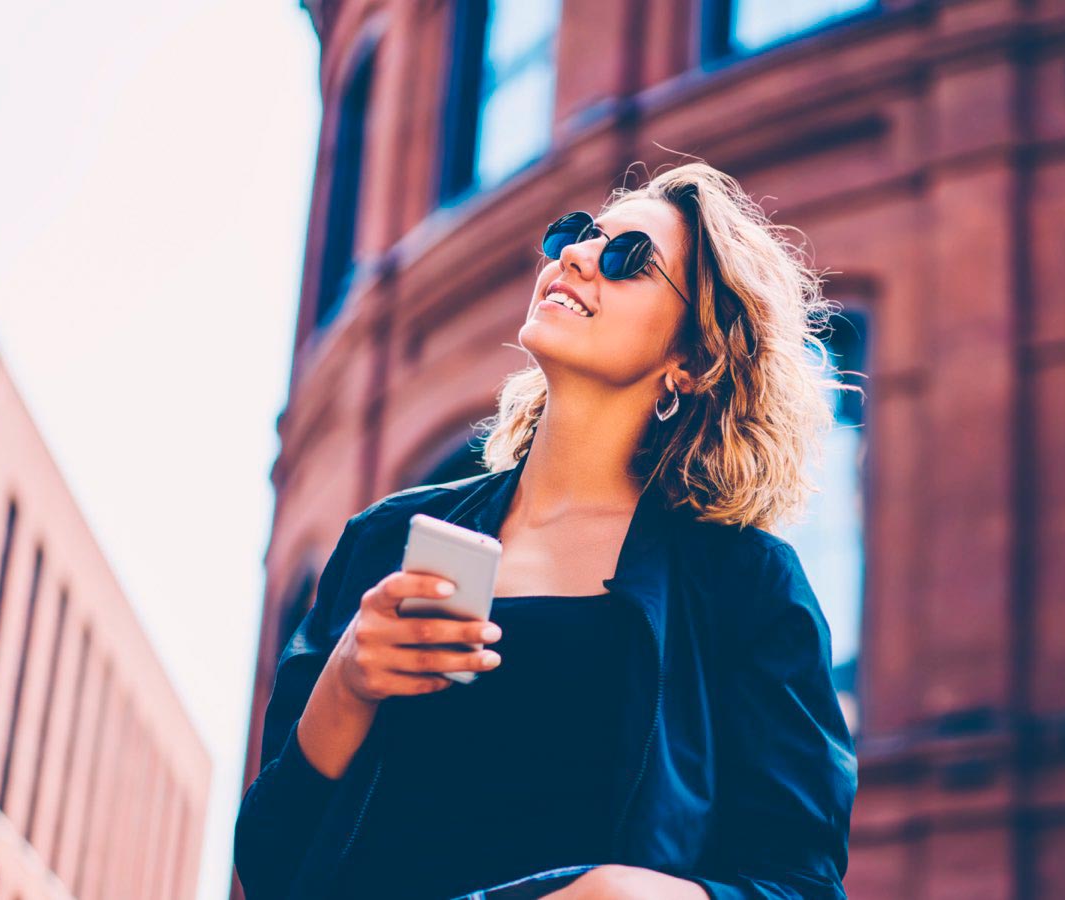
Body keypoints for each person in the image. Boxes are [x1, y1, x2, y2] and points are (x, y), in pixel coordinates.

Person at [234, 161, 861, 900]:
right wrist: (346, 682)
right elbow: (271, 860)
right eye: (577, 235)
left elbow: (800, 882)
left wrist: (637, 896)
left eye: (630, 259)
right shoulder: (387, 538)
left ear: (690, 360)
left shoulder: (743, 584)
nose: (576, 255)